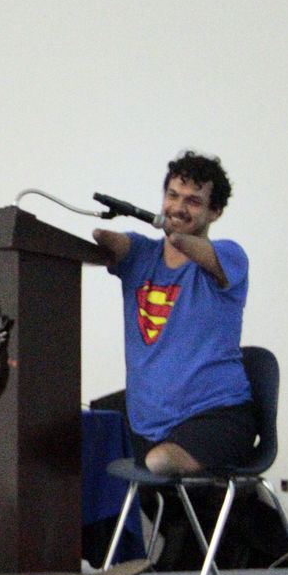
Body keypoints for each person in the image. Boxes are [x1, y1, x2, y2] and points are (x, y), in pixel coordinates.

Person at [92, 151, 254, 474]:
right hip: (148, 423)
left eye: (193, 202)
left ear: (216, 211)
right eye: (172, 196)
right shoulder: (141, 254)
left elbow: (184, 243)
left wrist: (173, 228)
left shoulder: (229, 256)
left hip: (216, 417)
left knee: (159, 462)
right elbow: (104, 239)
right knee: (90, 441)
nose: (178, 208)